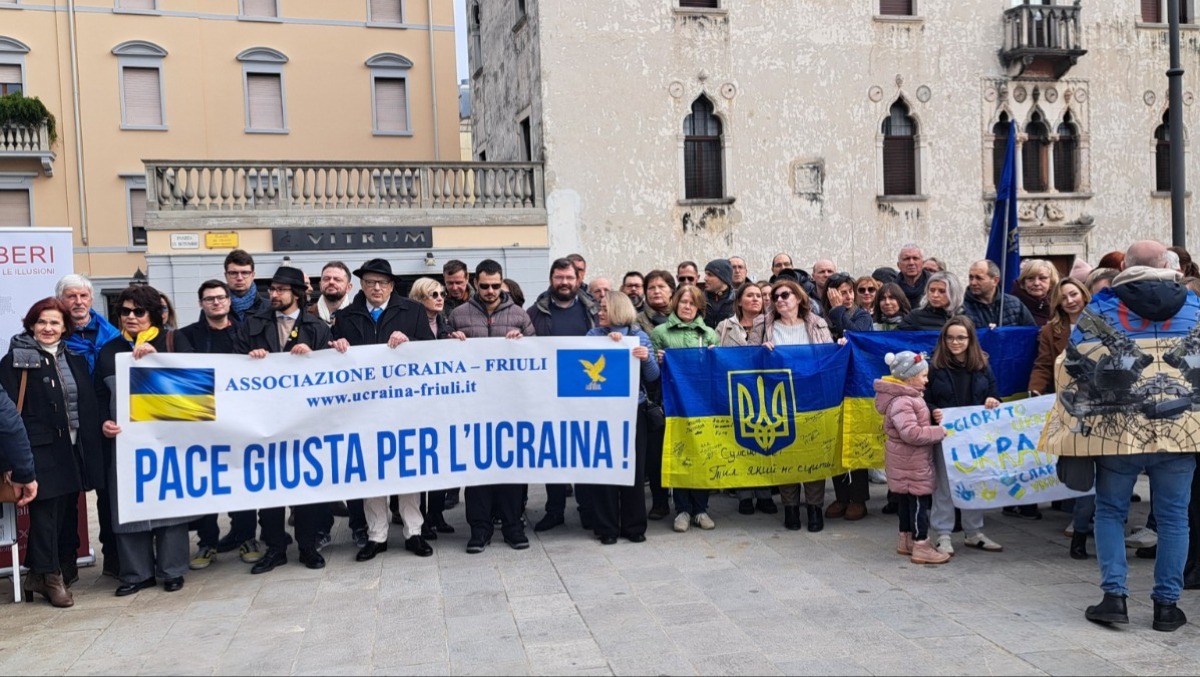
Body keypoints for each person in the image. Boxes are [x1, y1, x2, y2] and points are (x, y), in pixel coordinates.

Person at [1042, 240, 1195, 632]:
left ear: (1125, 265)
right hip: (1181, 435)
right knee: (1175, 519)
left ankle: (1114, 599)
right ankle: (1166, 606)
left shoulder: (1103, 306)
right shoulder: (1195, 306)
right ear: (1166, 264)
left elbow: (1074, 366)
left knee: (1111, 512)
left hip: (1118, 433)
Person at [330, 259, 435, 562]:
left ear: (391, 285)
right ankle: (377, 535)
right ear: (360, 284)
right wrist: (337, 348)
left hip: (404, 406)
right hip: (364, 409)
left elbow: (429, 350)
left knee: (408, 468)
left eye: (382, 282)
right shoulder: (346, 316)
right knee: (372, 471)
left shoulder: (412, 311)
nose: (376, 288)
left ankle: (414, 531)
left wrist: (410, 341)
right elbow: (337, 356)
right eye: (370, 282)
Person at [235, 267, 339, 573]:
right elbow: (235, 362)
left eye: (281, 290)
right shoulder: (253, 324)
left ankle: (307, 546)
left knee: (306, 486)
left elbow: (331, 372)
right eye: (272, 289)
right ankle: (275, 547)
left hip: (304, 421)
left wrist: (314, 356)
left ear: (297, 293)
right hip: (265, 420)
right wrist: (249, 359)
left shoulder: (316, 327)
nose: (274, 295)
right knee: (269, 488)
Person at [1, 298, 101, 606]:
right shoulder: (15, 359)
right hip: (35, 448)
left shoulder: (73, 356)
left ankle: (44, 572)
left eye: (55, 323)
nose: (48, 328)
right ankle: (51, 576)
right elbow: (8, 414)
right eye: (42, 322)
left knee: (66, 510)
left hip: (71, 447)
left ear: (64, 327)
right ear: (31, 324)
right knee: (45, 512)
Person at [96, 285, 195, 595]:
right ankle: (137, 574)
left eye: (138, 311)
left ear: (153, 313)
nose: (131, 317)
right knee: (128, 506)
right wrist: (104, 422)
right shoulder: (109, 349)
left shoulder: (173, 340)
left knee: (169, 505)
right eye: (125, 311)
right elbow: (99, 396)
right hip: (126, 445)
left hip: (167, 441)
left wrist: (160, 359)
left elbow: (198, 383)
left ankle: (172, 570)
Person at [448, 259, 536, 553]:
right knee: (477, 471)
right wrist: (451, 341)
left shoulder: (520, 315)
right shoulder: (458, 315)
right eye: (484, 286)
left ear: (502, 283)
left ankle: (513, 527)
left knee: (511, 469)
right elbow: (441, 356)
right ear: (475, 282)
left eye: (495, 286)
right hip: (472, 407)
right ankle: (479, 530)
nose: (489, 291)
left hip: (510, 406)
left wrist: (523, 342)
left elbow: (537, 357)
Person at [178, 280, 256, 571]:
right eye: (209, 299)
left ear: (229, 302)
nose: (216, 303)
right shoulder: (186, 336)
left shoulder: (245, 333)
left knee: (242, 480)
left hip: (239, 419)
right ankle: (207, 541)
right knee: (206, 484)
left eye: (220, 298)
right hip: (203, 421)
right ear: (201, 303)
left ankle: (247, 537)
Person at [748, 279, 833, 532]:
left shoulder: (817, 323)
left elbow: (829, 355)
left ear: (798, 298)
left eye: (786, 295)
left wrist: (839, 347)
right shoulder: (762, 325)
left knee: (813, 452)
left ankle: (815, 508)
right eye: (775, 297)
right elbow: (748, 358)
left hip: (812, 397)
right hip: (778, 397)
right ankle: (791, 507)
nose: (780, 300)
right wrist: (761, 350)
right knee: (785, 450)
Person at [55, 273, 119, 575]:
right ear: (61, 301)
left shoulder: (113, 336)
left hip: (104, 424)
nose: (78, 302)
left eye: (83, 296)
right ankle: (66, 563)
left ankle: (115, 559)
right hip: (67, 428)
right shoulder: (52, 335)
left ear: (91, 299)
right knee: (67, 496)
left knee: (108, 494)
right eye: (71, 296)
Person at [528, 258, 599, 532]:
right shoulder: (535, 312)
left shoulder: (592, 309)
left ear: (578, 279)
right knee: (553, 453)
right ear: (551, 280)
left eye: (569, 278)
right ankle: (554, 510)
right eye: (559, 278)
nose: (564, 283)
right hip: (549, 395)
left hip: (585, 394)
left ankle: (587, 509)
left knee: (584, 452)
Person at [583, 290, 659, 544]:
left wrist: (646, 358)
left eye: (604, 309)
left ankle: (634, 526)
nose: (599, 313)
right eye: (599, 308)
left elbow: (652, 376)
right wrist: (607, 346)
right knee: (605, 468)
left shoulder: (639, 336)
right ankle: (606, 528)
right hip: (601, 412)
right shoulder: (592, 336)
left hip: (632, 410)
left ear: (617, 310)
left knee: (633, 471)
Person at [925, 316, 1004, 556]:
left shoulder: (982, 366)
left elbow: (994, 394)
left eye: (961, 337)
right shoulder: (934, 367)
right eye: (950, 337)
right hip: (945, 436)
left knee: (975, 481)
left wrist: (993, 401)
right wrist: (932, 411)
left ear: (970, 340)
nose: (955, 342)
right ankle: (943, 534)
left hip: (974, 436)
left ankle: (974, 532)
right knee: (945, 486)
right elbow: (923, 397)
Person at [1027, 277, 1094, 558]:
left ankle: (1092, 529)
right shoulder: (1050, 330)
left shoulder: (1104, 323)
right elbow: (1043, 363)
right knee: (1080, 473)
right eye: (1063, 296)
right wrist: (1036, 388)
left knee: (1107, 476)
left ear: (1084, 295)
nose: (1069, 300)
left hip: (1104, 406)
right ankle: (1079, 530)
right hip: (1070, 406)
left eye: (1074, 294)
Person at [651, 284, 719, 532]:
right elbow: (652, 374)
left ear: (699, 307)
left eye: (692, 303)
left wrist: (716, 357)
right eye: (683, 302)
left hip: (703, 404)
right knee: (679, 453)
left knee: (702, 453)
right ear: (675, 304)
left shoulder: (710, 334)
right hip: (675, 405)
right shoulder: (660, 332)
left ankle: (701, 509)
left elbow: (717, 373)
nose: (687, 307)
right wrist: (657, 361)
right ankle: (682, 509)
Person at [874, 350, 950, 565]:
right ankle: (921, 544)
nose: (927, 380)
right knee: (918, 504)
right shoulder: (904, 401)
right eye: (923, 375)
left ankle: (905, 540)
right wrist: (938, 432)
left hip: (906, 461)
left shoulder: (908, 398)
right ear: (909, 377)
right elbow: (911, 433)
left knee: (907, 502)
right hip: (911, 462)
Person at [405, 277, 461, 544]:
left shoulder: (446, 324)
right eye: (433, 294)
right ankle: (420, 520)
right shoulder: (407, 325)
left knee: (441, 462)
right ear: (419, 298)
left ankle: (436, 514)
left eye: (441, 293)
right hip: (415, 405)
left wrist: (457, 340)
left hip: (442, 405)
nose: (440, 298)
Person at [716, 283, 777, 516]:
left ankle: (764, 494)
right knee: (740, 444)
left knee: (765, 443)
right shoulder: (724, 327)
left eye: (759, 296)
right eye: (750, 295)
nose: (756, 299)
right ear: (739, 301)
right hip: (735, 392)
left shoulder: (771, 325)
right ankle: (744, 495)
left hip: (765, 393)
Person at [636, 270, 675, 519]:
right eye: (651, 288)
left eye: (661, 286)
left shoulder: (684, 313)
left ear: (672, 290)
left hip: (680, 390)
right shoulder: (638, 321)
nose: (656, 291)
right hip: (651, 392)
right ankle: (659, 501)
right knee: (654, 451)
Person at [963, 260, 1036, 329]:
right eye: (971, 277)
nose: (973, 283)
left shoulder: (1015, 305)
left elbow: (1031, 333)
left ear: (995, 280)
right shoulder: (961, 309)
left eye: (979, 278)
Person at [898, 271, 963, 331]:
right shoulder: (916, 316)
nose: (935, 295)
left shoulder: (964, 315)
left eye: (942, 291)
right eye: (932, 290)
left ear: (953, 293)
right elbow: (896, 339)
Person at [223, 249, 270, 325]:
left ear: (253, 275)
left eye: (245, 273)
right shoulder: (214, 309)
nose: (239, 278)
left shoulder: (268, 308)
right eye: (233, 273)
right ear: (226, 276)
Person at [823, 272, 871, 340]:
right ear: (831, 295)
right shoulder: (822, 316)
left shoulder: (862, 315)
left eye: (851, 292)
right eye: (843, 293)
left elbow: (855, 336)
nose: (849, 297)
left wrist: (837, 309)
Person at [1012, 259, 1060, 326]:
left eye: (1042, 278)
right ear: (1023, 282)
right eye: (1030, 278)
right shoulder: (1011, 305)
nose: (1036, 283)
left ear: (1051, 281)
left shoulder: (1059, 304)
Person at [308, 261, 353, 326]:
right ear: (320, 285)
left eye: (337, 279)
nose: (331, 282)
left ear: (348, 287)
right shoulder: (306, 316)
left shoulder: (358, 317)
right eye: (326, 279)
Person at [702, 258, 736, 329]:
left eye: (710, 275)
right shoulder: (699, 299)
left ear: (723, 278)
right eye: (706, 274)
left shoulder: (737, 300)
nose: (705, 278)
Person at [896, 244, 930, 309]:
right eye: (906, 259)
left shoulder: (933, 286)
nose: (911, 263)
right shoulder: (893, 289)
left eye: (915, 258)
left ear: (923, 263)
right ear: (898, 265)